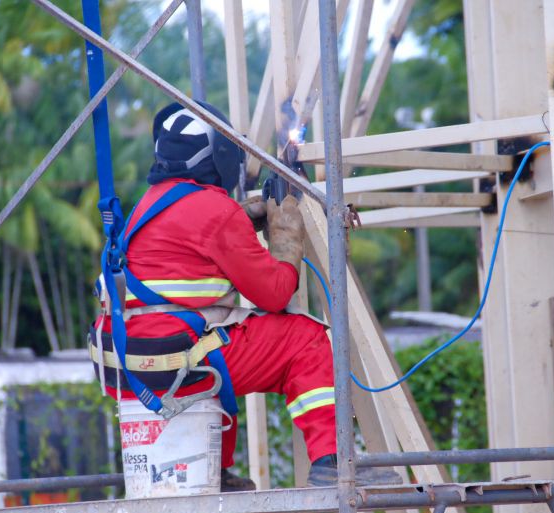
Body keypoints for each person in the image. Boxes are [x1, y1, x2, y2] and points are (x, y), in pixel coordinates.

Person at [91, 101, 400, 489]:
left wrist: (239, 221)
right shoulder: (213, 210)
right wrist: (286, 246)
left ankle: (214, 469)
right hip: (175, 355)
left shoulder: (147, 206)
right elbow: (272, 295)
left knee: (215, 352)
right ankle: (332, 459)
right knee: (305, 341)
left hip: (135, 362)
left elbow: (189, 248)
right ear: (220, 153)